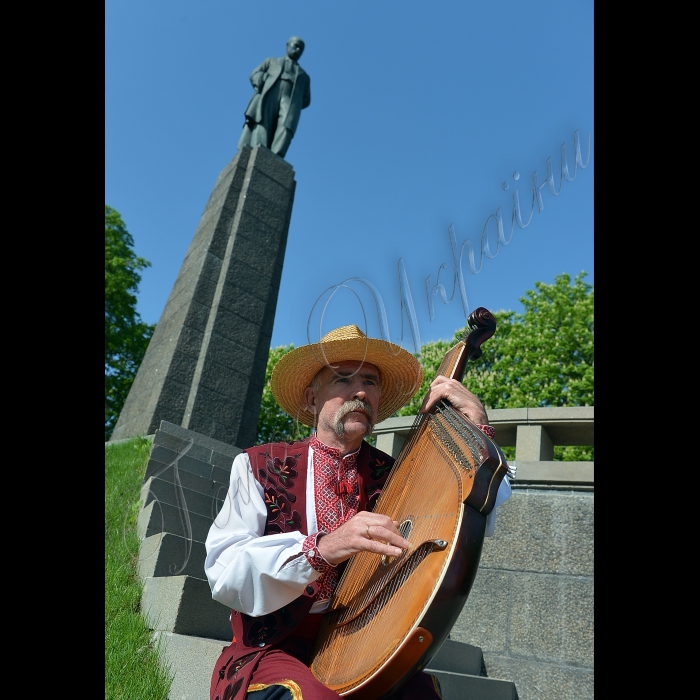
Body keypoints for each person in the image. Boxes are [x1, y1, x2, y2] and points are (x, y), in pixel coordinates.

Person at [205, 325, 512, 700]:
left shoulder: (400, 477)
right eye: (343, 379)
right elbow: (224, 571)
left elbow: (474, 507)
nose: (361, 391)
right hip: (270, 647)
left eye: (370, 381)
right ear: (310, 398)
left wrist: (477, 427)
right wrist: (322, 548)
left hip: (365, 643)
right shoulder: (258, 465)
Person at [237, 36, 311, 159]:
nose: (298, 50)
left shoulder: (304, 76)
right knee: (263, 119)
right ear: (287, 45)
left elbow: (307, 99)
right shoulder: (271, 61)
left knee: (286, 125)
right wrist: (264, 79)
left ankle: (276, 155)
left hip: (289, 100)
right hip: (270, 92)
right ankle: (260, 148)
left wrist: (295, 102)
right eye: (296, 45)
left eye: (301, 49)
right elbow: (254, 74)